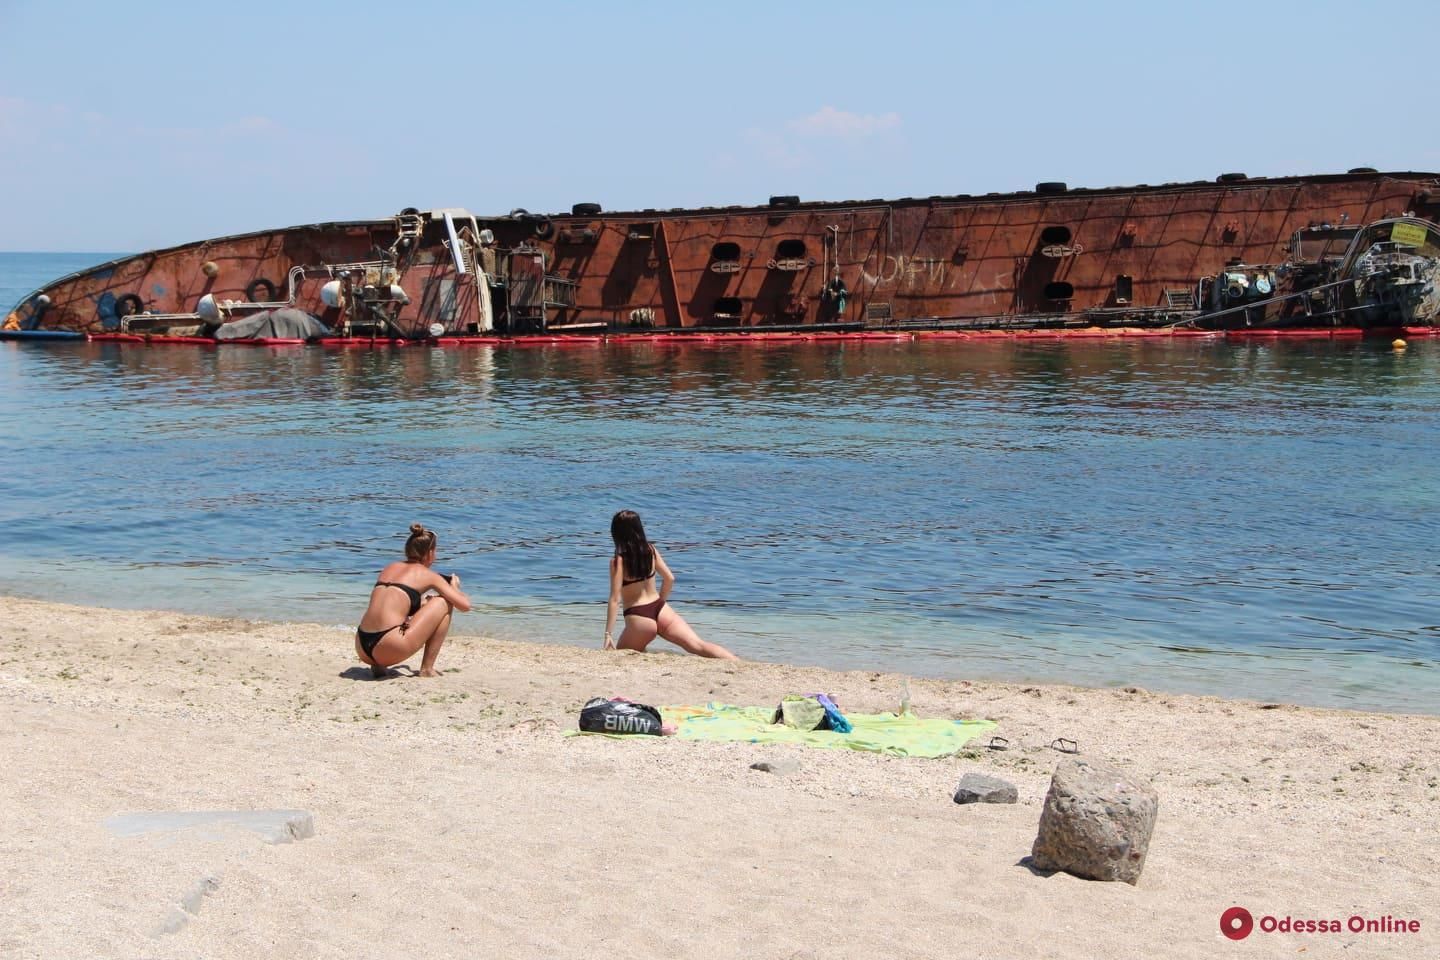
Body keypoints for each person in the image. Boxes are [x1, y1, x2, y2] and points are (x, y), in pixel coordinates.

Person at [604, 510, 737, 659]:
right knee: (698, 645)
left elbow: (615, 599)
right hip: (660, 609)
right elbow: (670, 578)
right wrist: (660, 603)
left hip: (639, 617)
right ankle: (737, 662)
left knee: (619, 655)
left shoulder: (618, 561)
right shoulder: (651, 550)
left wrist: (608, 634)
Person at [355, 523, 471, 678]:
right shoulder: (428, 575)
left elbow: (397, 605)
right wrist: (454, 587)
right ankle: (427, 669)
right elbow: (465, 606)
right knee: (444, 602)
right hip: (389, 647)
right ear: (430, 553)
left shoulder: (390, 567)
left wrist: (423, 604)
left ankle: (378, 665)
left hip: (362, 645)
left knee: (422, 602)